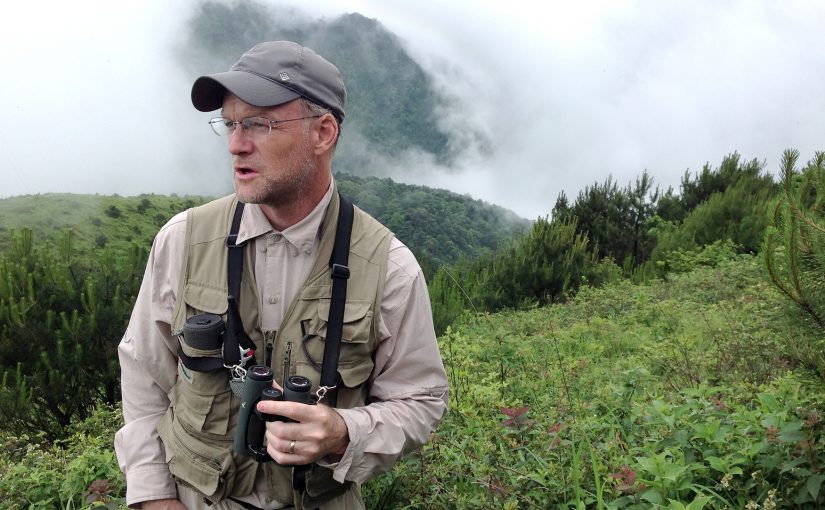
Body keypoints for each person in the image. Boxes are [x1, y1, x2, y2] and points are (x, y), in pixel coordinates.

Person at [115, 41, 449, 510]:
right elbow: (144, 376)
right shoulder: (183, 241)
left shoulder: (389, 268)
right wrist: (153, 497)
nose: (236, 144)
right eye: (230, 124)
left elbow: (421, 400)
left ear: (324, 132)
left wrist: (342, 433)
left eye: (258, 123)